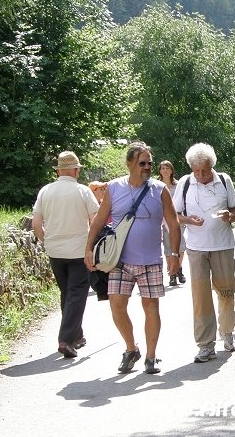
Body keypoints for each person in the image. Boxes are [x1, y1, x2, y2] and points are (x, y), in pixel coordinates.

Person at [84, 141, 180, 375]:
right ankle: (131, 349)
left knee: (151, 307)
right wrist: (88, 249)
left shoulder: (160, 189)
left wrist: (174, 255)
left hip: (150, 259)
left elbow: (173, 223)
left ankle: (151, 356)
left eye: (149, 163)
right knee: (117, 306)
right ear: (129, 164)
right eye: (142, 163)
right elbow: (98, 220)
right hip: (119, 260)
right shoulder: (115, 188)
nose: (147, 167)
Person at [172, 143, 235, 363]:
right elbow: (175, 215)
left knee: (226, 292)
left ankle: (227, 332)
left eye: (205, 170)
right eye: (197, 170)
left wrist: (229, 217)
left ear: (212, 166)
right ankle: (205, 345)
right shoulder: (184, 183)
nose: (201, 175)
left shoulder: (224, 180)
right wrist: (188, 220)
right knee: (201, 298)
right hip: (196, 248)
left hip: (222, 245)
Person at [32, 151, 100, 358]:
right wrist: (91, 248)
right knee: (77, 294)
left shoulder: (46, 191)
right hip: (78, 250)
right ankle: (66, 340)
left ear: (60, 171)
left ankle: (76, 336)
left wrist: (48, 241)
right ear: (75, 170)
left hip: (55, 251)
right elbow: (95, 222)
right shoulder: (82, 192)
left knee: (67, 293)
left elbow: (36, 224)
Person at [158, 160, 186, 286]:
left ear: (171, 170)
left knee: (180, 245)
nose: (165, 170)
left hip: (178, 219)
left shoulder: (178, 185)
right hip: (164, 220)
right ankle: (172, 273)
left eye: (167, 168)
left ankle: (179, 268)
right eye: (162, 168)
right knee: (168, 247)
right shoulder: (156, 185)